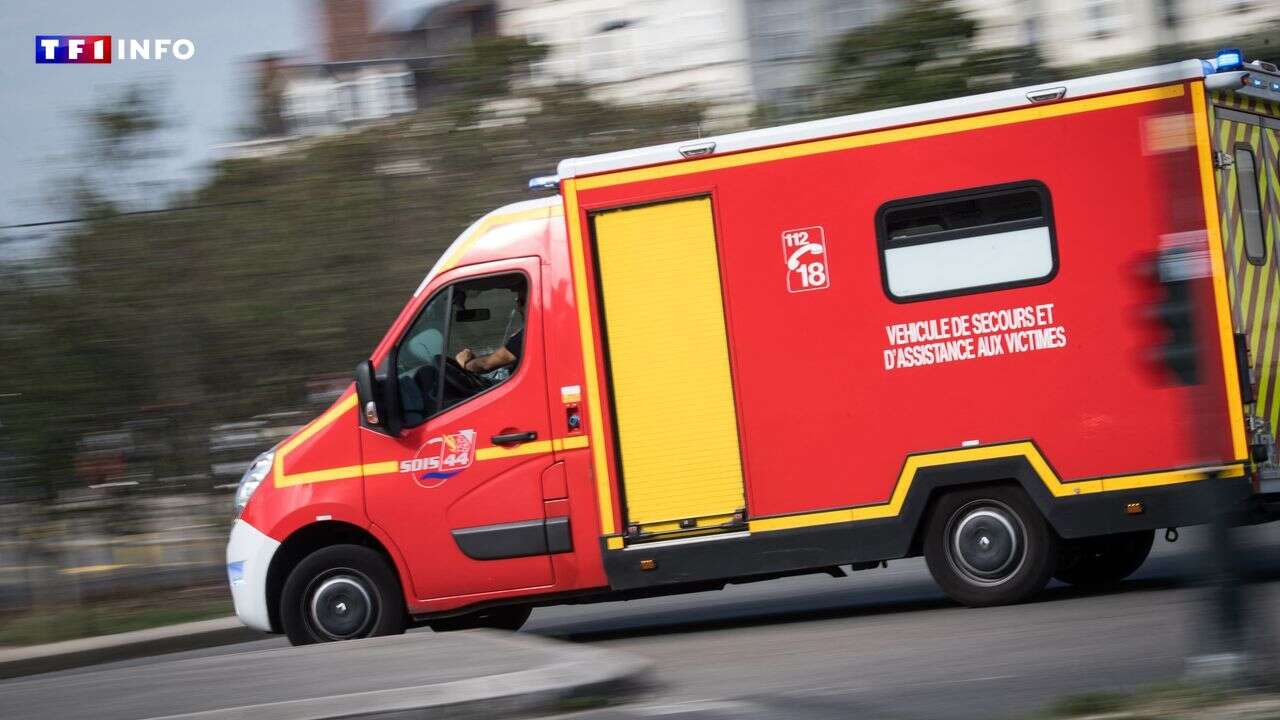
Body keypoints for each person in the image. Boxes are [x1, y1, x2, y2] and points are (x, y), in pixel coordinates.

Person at [454, 287, 525, 374]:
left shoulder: (527, 336)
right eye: (517, 301)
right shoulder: (528, 333)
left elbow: (486, 364)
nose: (517, 308)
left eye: (520, 302)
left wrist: (464, 363)